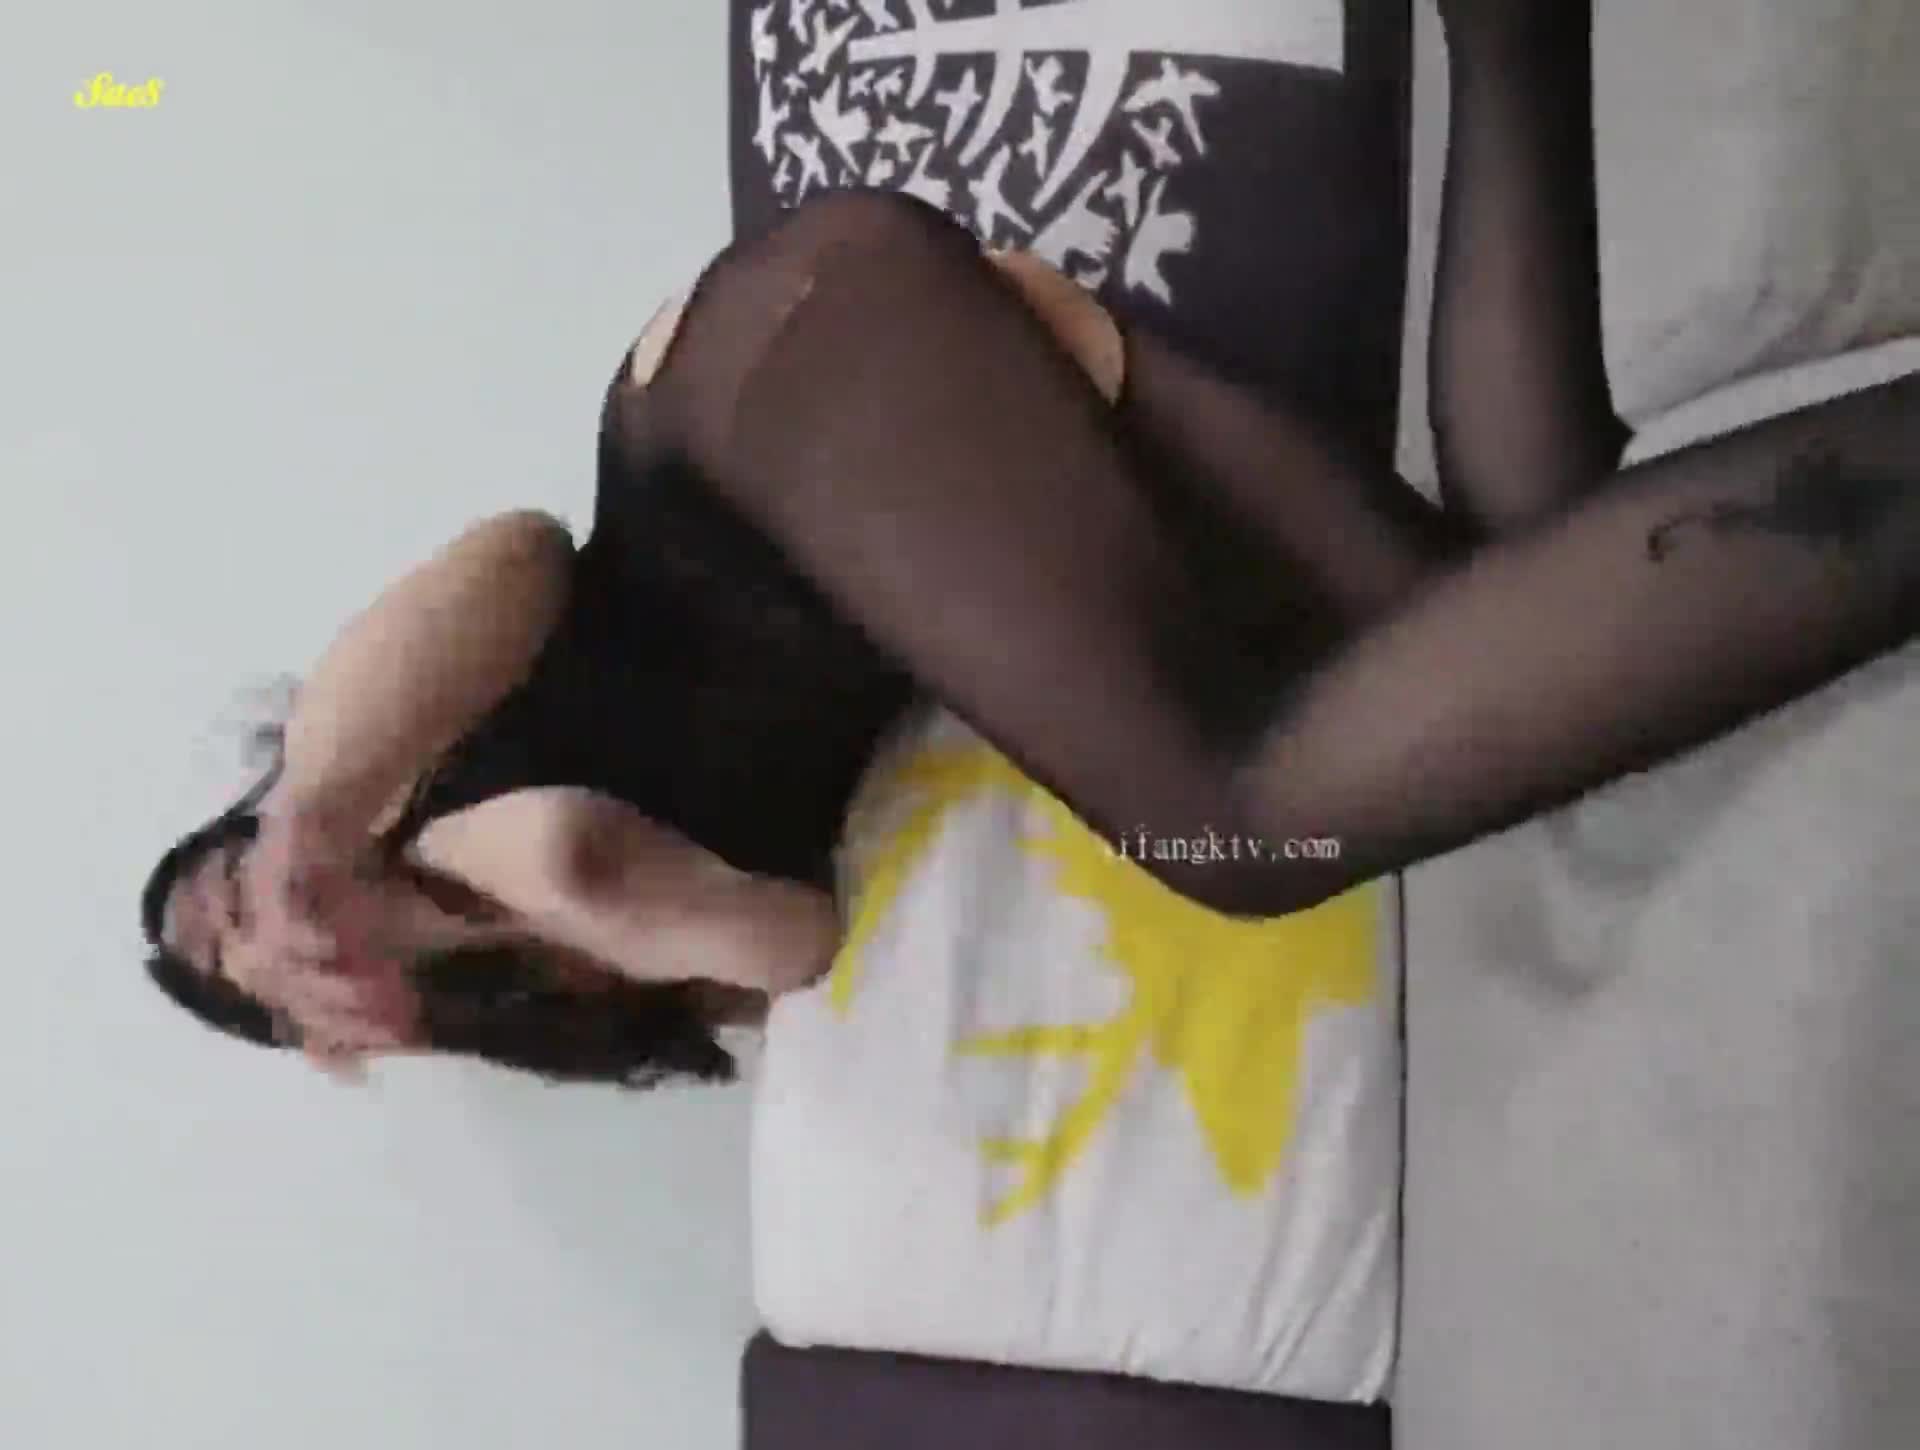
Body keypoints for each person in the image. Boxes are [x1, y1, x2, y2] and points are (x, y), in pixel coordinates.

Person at [143, 0, 1919, 1086]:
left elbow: (518, 558)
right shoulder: (546, 985)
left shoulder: (397, 753)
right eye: (243, 970)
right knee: (1516, 614)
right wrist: (448, 929)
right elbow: (782, 937)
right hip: (951, 475)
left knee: (1237, 831)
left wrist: (320, 818)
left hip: (772, 409)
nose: (260, 926)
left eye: (223, 884)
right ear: (315, 1041)